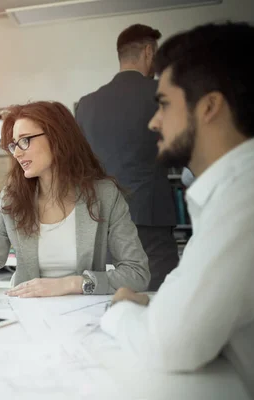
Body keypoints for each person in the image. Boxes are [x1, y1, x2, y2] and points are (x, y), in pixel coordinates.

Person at [100, 22, 254, 399]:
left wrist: (122, 310)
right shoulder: (234, 188)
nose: (154, 121)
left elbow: (169, 343)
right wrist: (150, 301)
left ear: (209, 107)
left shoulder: (250, 193)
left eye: (163, 104)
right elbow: (186, 285)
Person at [0, 101, 150, 304]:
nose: (17, 153)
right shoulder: (11, 198)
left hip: (85, 315)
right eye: (14, 145)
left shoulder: (105, 195)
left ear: (57, 138)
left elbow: (137, 272)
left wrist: (71, 284)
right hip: (27, 313)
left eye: (25, 140)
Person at [75, 24, 179, 291]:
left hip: (103, 221)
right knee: (158, 297)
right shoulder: (162, 94)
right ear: (148, 52)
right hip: (150, 219)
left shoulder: (86, 104)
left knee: (110, 295)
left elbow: (79, 166)